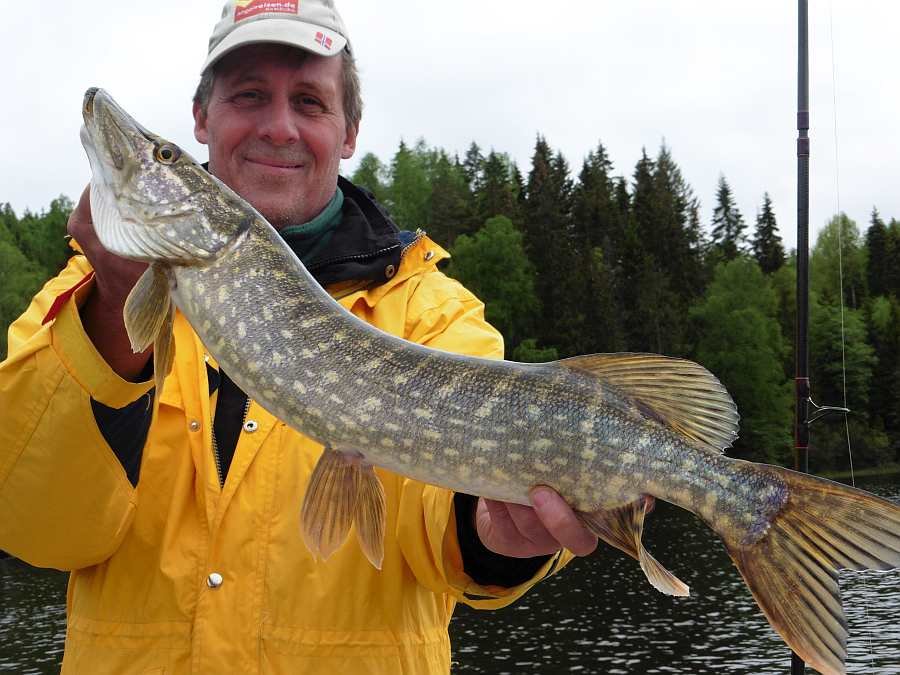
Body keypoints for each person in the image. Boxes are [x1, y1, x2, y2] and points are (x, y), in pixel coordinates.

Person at [0, 1, 598, 672]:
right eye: (250, 95)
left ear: (348, 131)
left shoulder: (432, 311)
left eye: (310, 102)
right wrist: (111, 315)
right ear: (203, 117)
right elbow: (32, 522)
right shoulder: (84, 293)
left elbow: (446, 520)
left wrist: (494, 534)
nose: (279, 127)